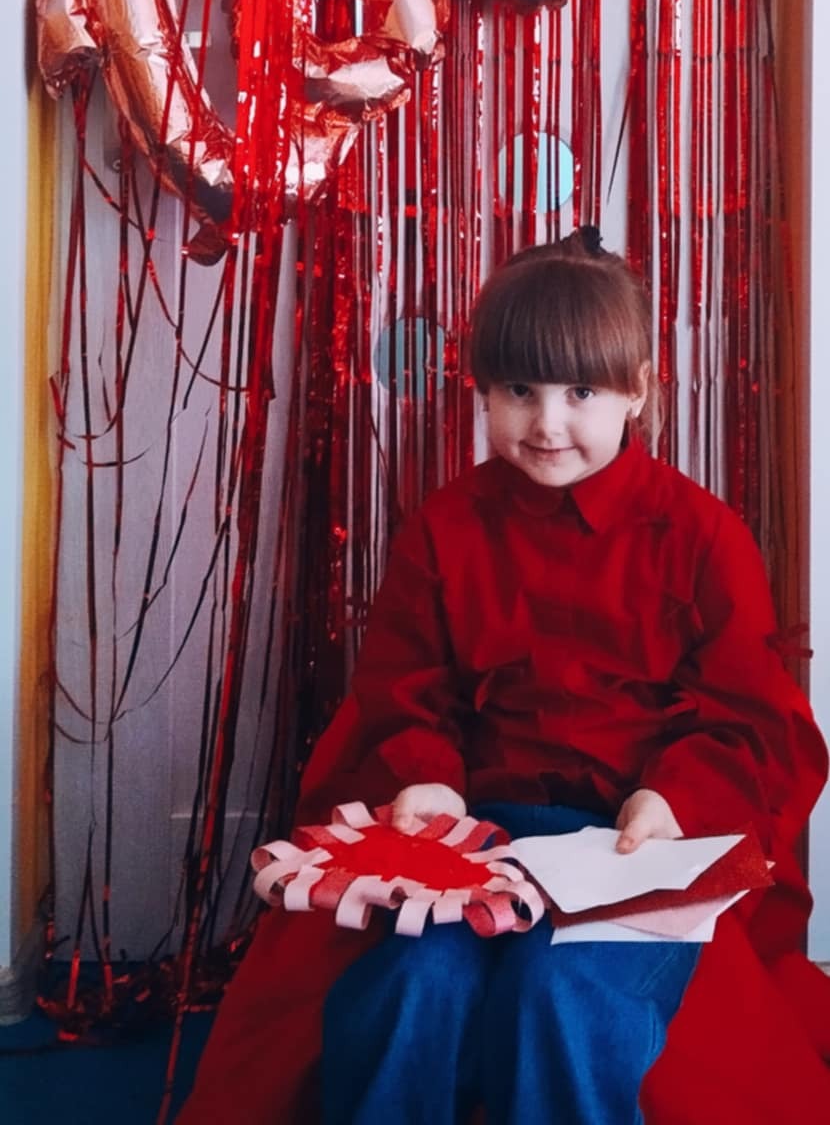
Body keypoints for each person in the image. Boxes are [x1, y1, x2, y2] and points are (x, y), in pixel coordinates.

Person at [180, 233, 830, 1125]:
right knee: (412, 984)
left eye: (581, 393)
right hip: (479, 836)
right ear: (482, 391)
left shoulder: (704, 536)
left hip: (629, 847)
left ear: (638, 389)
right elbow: (404, 685)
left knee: (562, 996)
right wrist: (428, 777)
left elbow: (748, 713)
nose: (548, 424)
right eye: (520, 391)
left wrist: (673, 796)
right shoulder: (446, 526)